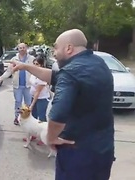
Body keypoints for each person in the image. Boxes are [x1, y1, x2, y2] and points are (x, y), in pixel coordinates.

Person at [12, 29, 115, 180]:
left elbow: (58, 114)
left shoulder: (70, 73)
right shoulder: (98, 63)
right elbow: (55, 77)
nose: (54, 52)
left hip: (77, 155)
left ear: (69, 48)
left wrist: (51, 137)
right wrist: (25, 66)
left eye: (56, 47)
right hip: (103, 150)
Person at [0, 43, 35, 125]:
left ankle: (28, 118)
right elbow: (9, 71)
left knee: (28, 103)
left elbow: (36, 69)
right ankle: (17, 118)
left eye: (23, 47)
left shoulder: (31, 59)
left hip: (28, 85)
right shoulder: (14, 59)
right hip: (17, 86)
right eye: (20, 48)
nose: (22, 49)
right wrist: (1, 78)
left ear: (26, 48)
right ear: (18, 49)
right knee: (18, 102)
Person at [29, 55, 50, 122]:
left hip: (42, 99)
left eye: (37, 64)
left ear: (41, 65)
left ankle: (44, 132)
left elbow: (38, 92)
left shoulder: (43, 75)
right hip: (33, 97)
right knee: (33, 116)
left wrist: (32, 104)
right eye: (34, 64)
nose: (35, 65)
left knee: (41, 117)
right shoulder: (33, 73)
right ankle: (34, 131)